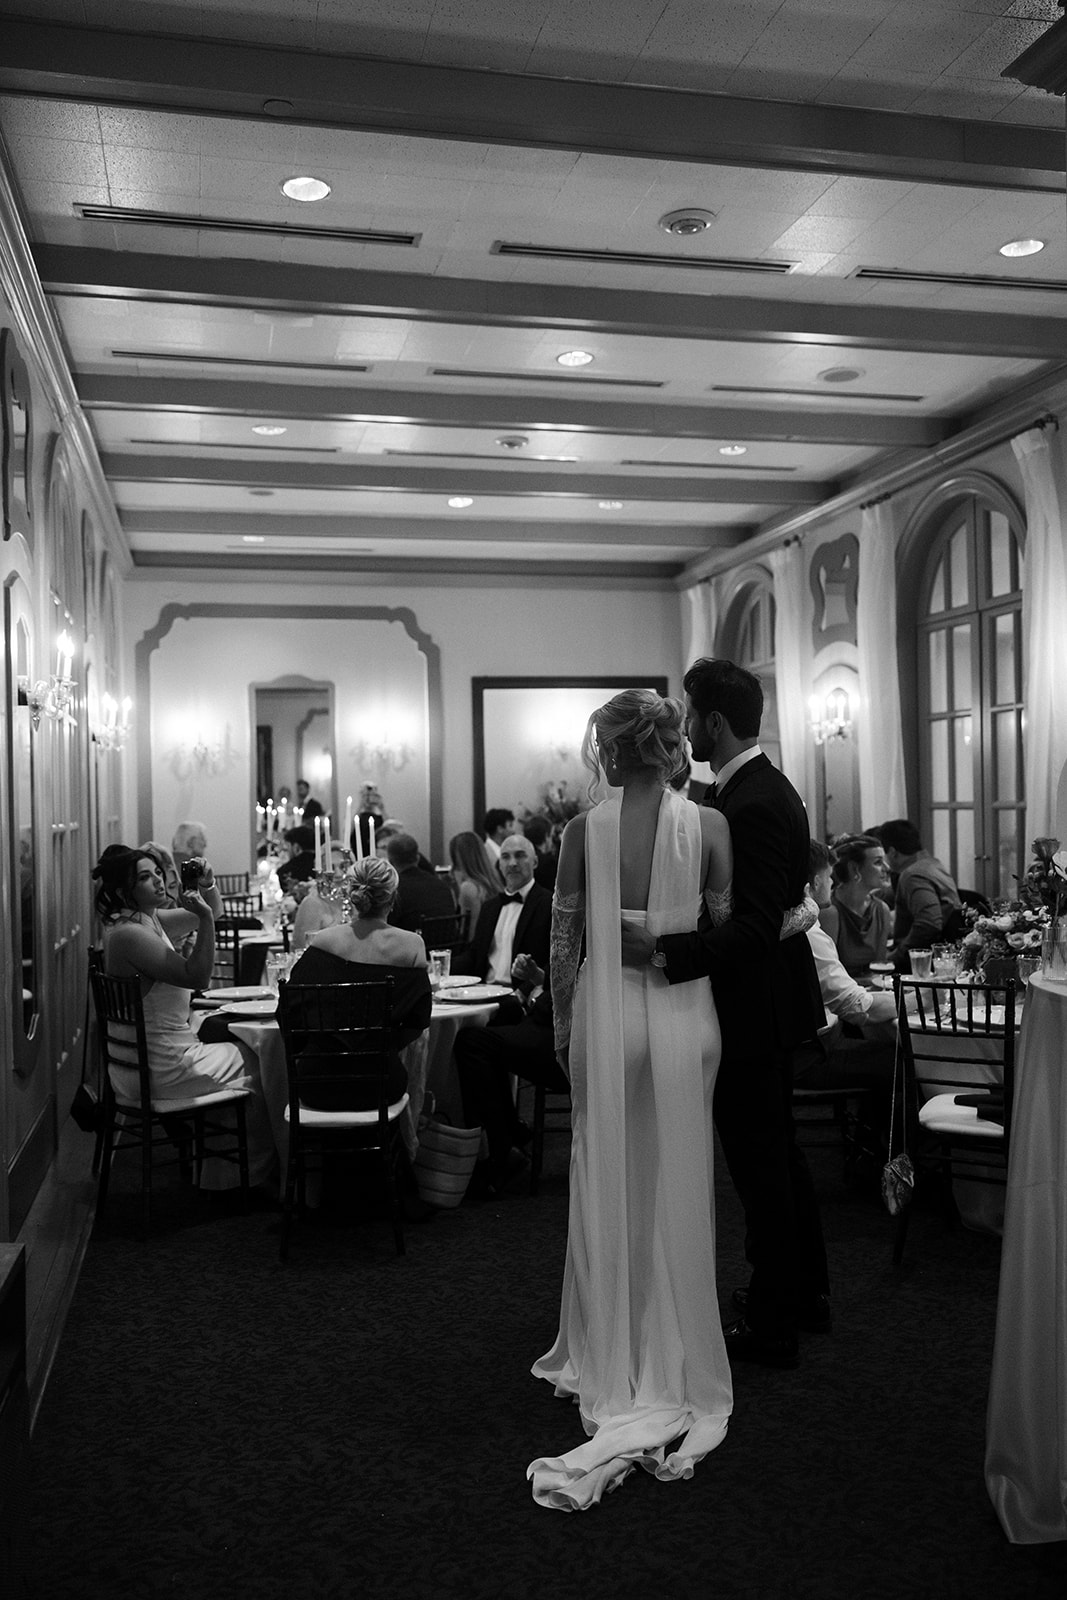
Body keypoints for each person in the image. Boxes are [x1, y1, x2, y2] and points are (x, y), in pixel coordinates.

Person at [529, 688, 733, 1511]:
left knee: (608, 1178)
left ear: (609, 752)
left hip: (612, 1021)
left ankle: (608, 1349)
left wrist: (563, 1033)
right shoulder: (711, 827)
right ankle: (676, 1344)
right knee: (678, 1179)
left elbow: (564, 943)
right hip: (688, 1020)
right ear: (670, 746)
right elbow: (723, 934)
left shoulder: (585, 831)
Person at [622, 658, 829, 1370]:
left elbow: (751, 926)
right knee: (781, 1158)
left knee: (760, 1168)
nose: (684, 726)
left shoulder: (757, 803)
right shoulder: (746, 789)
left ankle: (773, 1323)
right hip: (766, 1003)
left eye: (688, 713)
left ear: (712, 721)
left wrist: (663, 950)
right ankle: (806, 1294)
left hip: (756, 1009)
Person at [93, 847, 276, 1188]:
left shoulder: (142, 920)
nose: (158, 881)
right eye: (144, 878)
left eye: (157, 872)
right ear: (123, 892)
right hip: (161, 1066)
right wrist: (205, 920)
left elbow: (214, 909)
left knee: (238, 1044)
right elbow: (197, 977)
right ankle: (253, 1175)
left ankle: (222, 1173)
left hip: (145, 1059)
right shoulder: (131, 935)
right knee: (264, 1059)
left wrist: (206, 886)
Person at [287, 856, 432, 1111]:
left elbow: (290, 1014)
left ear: (351, 892)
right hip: (381, 1082)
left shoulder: (322, 942)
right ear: (392, 896)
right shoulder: (411, 946)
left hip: (316, 1082)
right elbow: (417, 1021)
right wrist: (381, 1047)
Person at [795, 841, 898, 1097]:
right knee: (905, 1059)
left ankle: (874, 1131)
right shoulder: (808, 931)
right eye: (829, 877)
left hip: (812, 1044)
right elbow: (855, 1007)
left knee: (889, 1047)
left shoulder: (791, 921)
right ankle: (894, 1136)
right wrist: (921, 1000)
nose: (833, 883)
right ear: (816, 882)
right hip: (813, 1055)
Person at [462, 833, 551, 986]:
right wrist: (440, 965)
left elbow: (556, 961)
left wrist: (525, 992)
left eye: (520, 856)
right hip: (484, 991)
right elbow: (475, 955)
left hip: (521, 996)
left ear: (535, 862)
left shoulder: (549, 904)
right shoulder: (490, 907)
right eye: (505, 857)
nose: (512, 863)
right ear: (500, 865)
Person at [878, 818, 964, 970]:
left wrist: (896, 956)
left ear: (892, 852)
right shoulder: (933, 864)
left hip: (921, 965)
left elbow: (929, 924)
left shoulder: (913, 875)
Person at [819, 834, 892, 980]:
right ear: (855, 869)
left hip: (872, 992)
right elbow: (827, 975)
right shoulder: (830, 912)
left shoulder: (881, 909)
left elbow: (879, 969)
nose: (887, 868)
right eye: (878, 862)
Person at [385, 833, 455, 932]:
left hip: (412, 945)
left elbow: (386, 925)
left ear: (391, 862)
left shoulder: (395, 890)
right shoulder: (441, 885)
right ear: (417, 858)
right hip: (447, 944)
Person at [448, 830, 499, 940]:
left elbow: (467, 934)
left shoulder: (469, 888)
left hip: (475, 951)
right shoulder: (494, 882)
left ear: (458, 859)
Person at [520, 814, 559, 893]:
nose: (552, 842)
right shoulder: (549, 863)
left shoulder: (519, 859)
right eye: (551, 836)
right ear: (546, 837)